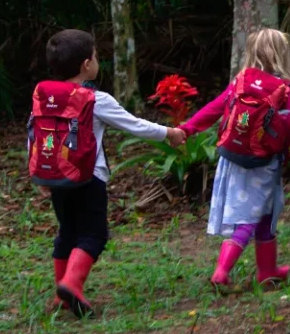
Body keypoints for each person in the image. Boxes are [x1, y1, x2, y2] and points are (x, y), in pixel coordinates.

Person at [35, 29, 186, 317]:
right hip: (89, 179)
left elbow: (38, 138)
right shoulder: (95, 99)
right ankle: (71, 283)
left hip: (57, 179)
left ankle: (62, 296)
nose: (97, 61)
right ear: (85, 65)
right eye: (95, 56)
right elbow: (135, 125)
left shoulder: (45, 97)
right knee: (94, 234)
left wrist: (42, 176)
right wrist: (169, 132)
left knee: (67, 232)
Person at [179, 28, 290, 289]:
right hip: (264, 163)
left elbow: (215, 108)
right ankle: (221, 272)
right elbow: (285, 128)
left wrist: (187, 128)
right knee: (251, 217)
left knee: (262, 213)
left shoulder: (241, 81)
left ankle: (267, 271)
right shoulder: (285, 89)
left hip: (233, 157)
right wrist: (284, 155)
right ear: (283, 55)